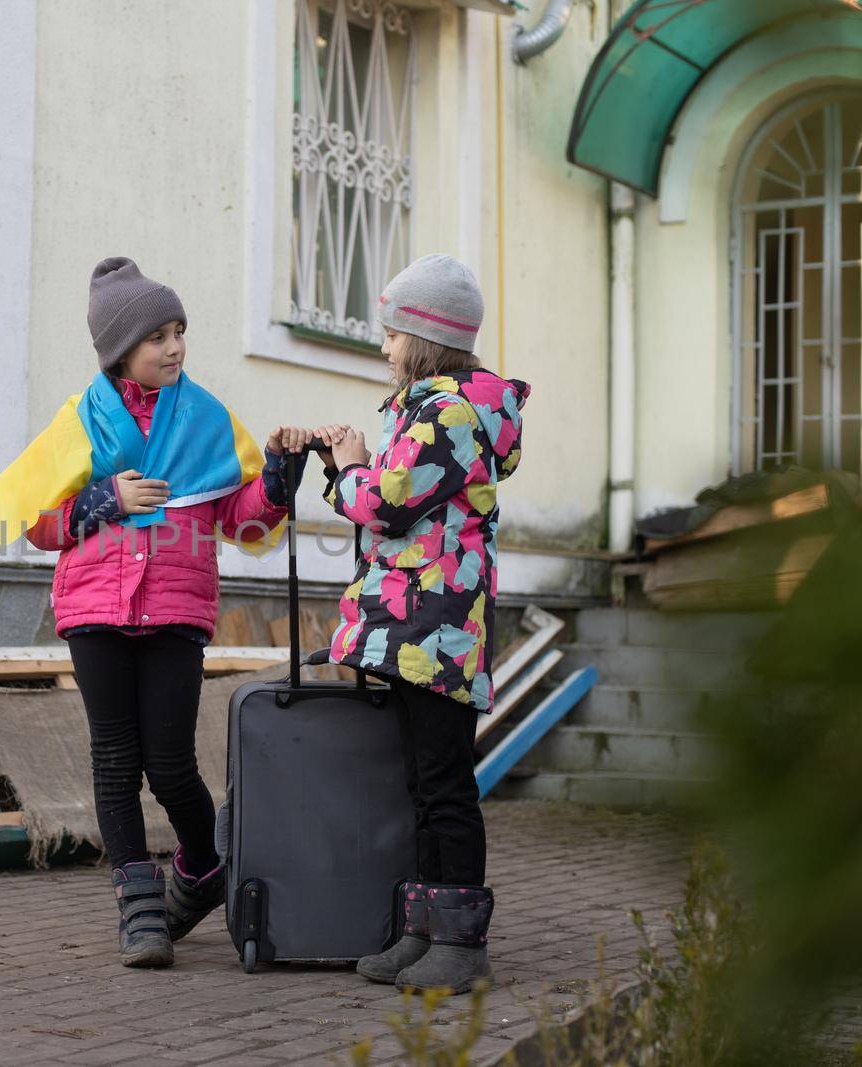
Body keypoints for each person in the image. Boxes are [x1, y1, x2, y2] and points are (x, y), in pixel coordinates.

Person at [0, 256, 312, 967]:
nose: (174, 346)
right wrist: (103, 500)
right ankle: (140, 911)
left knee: (170, 764)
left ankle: (201, 863)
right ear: (119, 349)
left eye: (179, 331)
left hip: (175, 611)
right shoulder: (79, 422)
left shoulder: (208, 419)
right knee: (114, 760)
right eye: (158, 335)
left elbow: (244, 519)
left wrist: (279, 481)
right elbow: (38, 520)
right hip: (94, 609)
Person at [316, 253, 531, 994]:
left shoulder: (449, 413)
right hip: (421, 626)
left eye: (389, 333)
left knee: (444, 787)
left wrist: (349, 467)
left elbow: (388, 499)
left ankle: (461, 945)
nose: (382, 348)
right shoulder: (435, 409)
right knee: (419, 784)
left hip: (437, 628)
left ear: (423, 337)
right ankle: (422, 930)